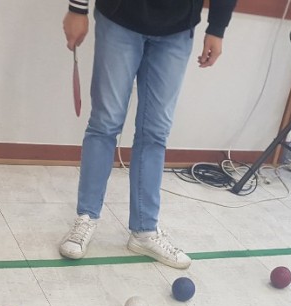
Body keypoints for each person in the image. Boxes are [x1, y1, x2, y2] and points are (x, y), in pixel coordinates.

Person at [59, 0, 236, 269]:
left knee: (155, 132)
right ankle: (86, 217)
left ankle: (144, 231)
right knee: (105, 124)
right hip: (120, 16)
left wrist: (218, 28)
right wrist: (77, 9)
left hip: (177, 28)